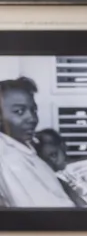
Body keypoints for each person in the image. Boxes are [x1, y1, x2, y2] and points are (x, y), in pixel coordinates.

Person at [0, 77, 74, 208]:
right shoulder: (8, 158)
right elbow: (42, 213)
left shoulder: (25, 147)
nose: (32, 118)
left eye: (33, 110)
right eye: (19, 111)